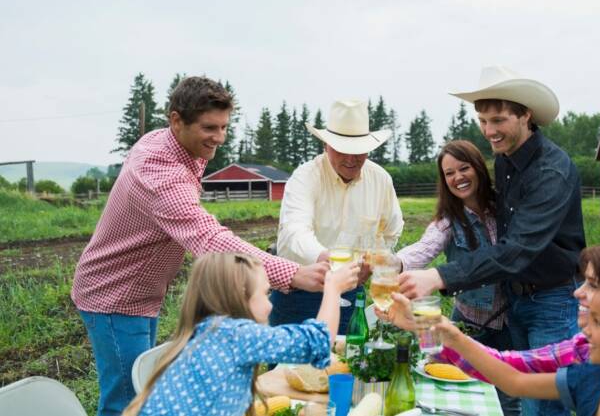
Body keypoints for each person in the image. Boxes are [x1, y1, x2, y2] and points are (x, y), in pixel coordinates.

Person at [71, 76, 329, 416]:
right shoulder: (159, 171)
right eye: (210, 128)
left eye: (224, 127)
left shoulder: (170, 143)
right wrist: (293, 273)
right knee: (125, 402)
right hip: (115, 295)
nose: (219, 138)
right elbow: (210, 240)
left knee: (143, 386)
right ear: (176, 120)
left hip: (142, 292)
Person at [398, 66, 586, 415]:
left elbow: (517, 249)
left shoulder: (551, 171)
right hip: (517, 298)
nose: (489, 131)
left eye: (498, 120)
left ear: (525, 115)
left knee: (542, 405)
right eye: (483, 121)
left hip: (552, 301)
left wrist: (439, 276)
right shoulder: (505, 160)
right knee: (519, 393)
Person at [380, 243, 600, 415]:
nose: (577, 292)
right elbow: (512, 374)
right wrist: (441, 331)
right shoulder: (590, 364)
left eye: (593, 284)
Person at [122, 252, 361, 416]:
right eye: (265, 294)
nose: (270, 305)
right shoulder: (237, 336)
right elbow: (317, 341)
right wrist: (333, 288)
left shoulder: (207, 331)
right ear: (240, 297)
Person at [435, 273, 600, 415]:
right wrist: (452, 335)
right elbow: (514, 381)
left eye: (598, 322)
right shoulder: (591, 378)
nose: (584, 329)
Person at [396, 140, 519, 416]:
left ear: (478, 168)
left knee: (509, 400)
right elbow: (424, 248)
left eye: (463, 168)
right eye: (449, 173)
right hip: (467, 325)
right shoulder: (449, 219)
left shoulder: (505, 210)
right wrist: (394, 262)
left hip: (510, 324)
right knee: (459, 396)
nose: (458, 178)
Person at [269, 99, 404, 334]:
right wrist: (327, 259)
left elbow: (391, 231)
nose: (351, 159)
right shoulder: (305, 177)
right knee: (289, 369)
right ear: (326, 145)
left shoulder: (380, 180)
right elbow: (295, 231)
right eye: (342, 149)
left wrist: (373, 262)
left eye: (358, 151)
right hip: (298, 290)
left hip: (350, 292)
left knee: (345, 361)